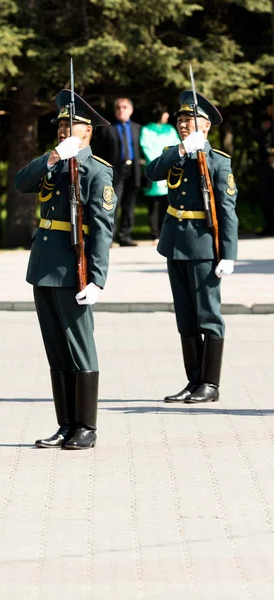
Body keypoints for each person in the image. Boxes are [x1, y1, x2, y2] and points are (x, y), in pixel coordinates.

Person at [15, 89, 116, 450]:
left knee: (79, 347)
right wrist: (54, 157)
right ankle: (65, 425)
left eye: (70, 124)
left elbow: (103, 229)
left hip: (74, 270)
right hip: (44, 267)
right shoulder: (53, 161)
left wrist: (98, 279)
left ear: (87, 131)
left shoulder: (96, 171)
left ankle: (86, 426)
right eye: (59, 125)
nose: (63, 129)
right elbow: (21, 182)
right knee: (56, 350)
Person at [146, 91, 238, 404]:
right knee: (185, 317)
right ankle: (193, 380)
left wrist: (228, 254)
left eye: (190, 120)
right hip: (175, 244)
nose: (184, 124)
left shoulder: (218, 162)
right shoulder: (175, 153)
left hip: (203, 246)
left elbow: (227, 211)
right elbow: (151, 173)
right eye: (181, 119)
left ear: (206, 125)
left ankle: (210, 384)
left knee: (208, 316)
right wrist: (182, 150)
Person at [93, 97, 141, 246]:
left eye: (125, 107)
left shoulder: (138, 128)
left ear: (131, 110)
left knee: (129, 204)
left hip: (133, 169)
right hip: (115, 170)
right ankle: (110, 237)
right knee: (113, 204)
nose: (121, 110)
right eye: (118, 108)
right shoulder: (107, 128)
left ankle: (125, 236)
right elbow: (100, 151)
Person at [140, 104, 180, 242]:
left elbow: (176, 145)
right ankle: (155, 233)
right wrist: (160, 164)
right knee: (154, 205)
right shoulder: (146, 130)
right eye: (165, 113)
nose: (168, 115)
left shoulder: (170, 129)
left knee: (168, 203)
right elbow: (147, 148)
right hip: (156, 168)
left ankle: (166, 231)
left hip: (170, 169)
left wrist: (169, 162)